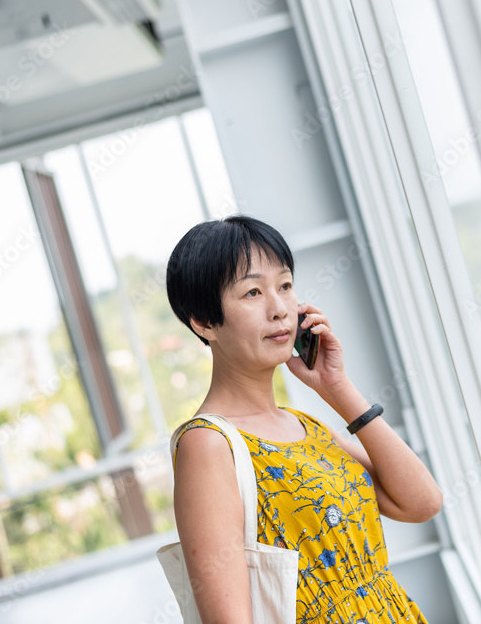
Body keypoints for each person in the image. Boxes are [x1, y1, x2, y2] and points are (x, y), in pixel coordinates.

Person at [165, 215, 442, 623]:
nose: (279, 309)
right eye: (253, 292)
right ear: (204, 323)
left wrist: (337, 389)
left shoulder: (303, 426)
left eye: (286, 285)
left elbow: (421, 502)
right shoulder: (208, 444)